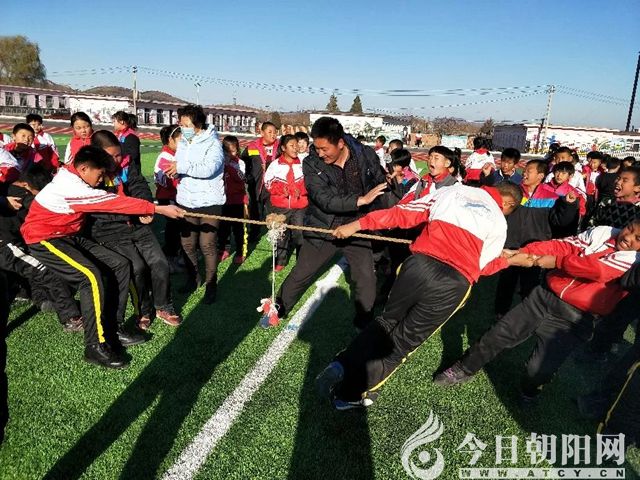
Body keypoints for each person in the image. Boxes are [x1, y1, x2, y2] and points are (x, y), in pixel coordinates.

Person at [315, 181, 522, 409]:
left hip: (419, 265)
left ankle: (341, 365)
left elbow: (401, 213)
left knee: (386, 321)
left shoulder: (454, 190)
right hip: (454, 282)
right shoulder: (499, 222)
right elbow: (484, 266)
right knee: (401, 344)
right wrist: (508, 260)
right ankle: (349, 395)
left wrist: (357, 224)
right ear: (507, 204)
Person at [434, 221, 640, 406]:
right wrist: (525, 252)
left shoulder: (635, 260)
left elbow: (598, 270)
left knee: (538, 370)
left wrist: (557, 262)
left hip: (575, 319)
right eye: (629, 228)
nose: (628, 237)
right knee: (498, 334)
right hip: (543, 297)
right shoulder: (604, 232)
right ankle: (464, 368)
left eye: (637, 238)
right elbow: (563, 246)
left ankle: (530, 390)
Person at [20, 146, 185, 368]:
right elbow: (111, 202)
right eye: (99, 175)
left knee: (120, 264)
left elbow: (106, 197)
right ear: (83, 169)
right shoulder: (71, 186)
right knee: (90, 278)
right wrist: (158, 209)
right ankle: (95, 346)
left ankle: (112, 328)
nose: (101, 180)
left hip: (68, 235)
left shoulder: (74, 175)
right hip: (44, 238)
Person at [260, 117, 387, 329]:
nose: (319, 153)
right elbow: (324, 199)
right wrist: (360, 200)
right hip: (323, 224)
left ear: (340, 143)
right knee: (302, 272)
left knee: (366, 277)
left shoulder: (365, 154)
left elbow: (379, 182)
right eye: (316, 148)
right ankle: (277, 309)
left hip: (356, 226)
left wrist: (384, 194)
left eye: (324, 149)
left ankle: (364, 321)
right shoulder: (311, 163)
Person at [89, 130, 182, 330]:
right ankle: (143, 309)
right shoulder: (91, 174)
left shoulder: (126, 164)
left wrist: (145, 206)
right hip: (110, 229)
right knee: (137, 268)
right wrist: (135, 212)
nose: (116, 160)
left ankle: (163, 305)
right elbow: (101, 207)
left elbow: (139, 186)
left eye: (118, 154)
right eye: (111, 156)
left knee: (160, 262)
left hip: (137, 224)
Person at [0, 164, 82, 331]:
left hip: (11, 242)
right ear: (26, 185)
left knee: (20, 275)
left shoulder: (8, 188)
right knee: (45, 270)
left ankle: (42, 298)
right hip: (5, 244)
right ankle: (71, 317)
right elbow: (34, 204)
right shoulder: (21, 194)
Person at [163, 105, 226, 304]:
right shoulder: (183, 142)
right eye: (181, 124)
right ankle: (193, 278)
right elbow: (181, 165)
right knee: (187, 243)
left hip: (209, 201)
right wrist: (174, 171)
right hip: (186, 200)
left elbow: (209, 169)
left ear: (198, 124)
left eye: (186, 124)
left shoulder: (213, 143)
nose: (183, 128)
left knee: (207, 244)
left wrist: (181, 167)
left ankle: (211, 284)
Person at [263, 134, 308, 274]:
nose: (296, 148)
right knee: (281, 234)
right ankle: (281, 260)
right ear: (283, 148)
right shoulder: (275, 165)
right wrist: (282, 189)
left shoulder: (304, 163)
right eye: (292, 146)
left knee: (300, 234)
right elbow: (268, 183)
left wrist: (301, 190)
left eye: (297, 145)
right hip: (280, 206)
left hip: (300, 206)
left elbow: (311, 182)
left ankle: (301, 261)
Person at [242, 121, 279, 242]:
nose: (273, 135)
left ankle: (277, 234)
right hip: (256, 185)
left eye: (275, 132)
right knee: (255, 210)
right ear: (262, 133)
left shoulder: (280, 147)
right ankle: (254, 233)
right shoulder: (252, 147)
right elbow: (243, 162)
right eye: (270, 132)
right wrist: (248, 176)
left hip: (273, 187)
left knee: (274, 211)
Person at [154, 125, 183, 268]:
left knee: (178, 226)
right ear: (170, 140)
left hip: (175, 196)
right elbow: (166, 180)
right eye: (180, 140)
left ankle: (176, 253)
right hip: (168, 197)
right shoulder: (165, 157)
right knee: (173, 227)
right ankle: (170, 256)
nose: (184, 144)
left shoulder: (176, 155)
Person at [218, 135, 248, 265]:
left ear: (238, 150)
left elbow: (241, 178)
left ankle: (241, 252)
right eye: (227, 152)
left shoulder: (240, 163)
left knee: (239, 229)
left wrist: (229, 165)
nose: (230, 155)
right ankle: (224, 249)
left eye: (233, 151)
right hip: (223, 201)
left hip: (238, 201)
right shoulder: (219, 163)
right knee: (223, 228)